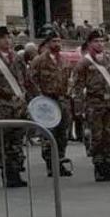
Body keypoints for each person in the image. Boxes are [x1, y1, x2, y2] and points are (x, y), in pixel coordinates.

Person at [0, 25, 29, 188]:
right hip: (0, 105)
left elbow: (26, 80)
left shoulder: (17, 58)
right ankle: (7, 172)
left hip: (18, 105)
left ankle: (16, 170)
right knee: (4, 141)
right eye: (4, 38)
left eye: (9, 38)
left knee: (16, 141)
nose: (8, 41)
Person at [73, 29, 110, 182]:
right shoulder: (84, 62)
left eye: (102, 41)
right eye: (97, 41)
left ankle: (109, 163)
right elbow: (77, 87)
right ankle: (99, 166)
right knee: (97, 136)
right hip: (94, 104)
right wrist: (79, 108)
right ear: (89, 43)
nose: (100, 44)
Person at [27, 28, 73, 177]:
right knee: (49, 134)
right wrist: (38, 98)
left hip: (62, 100)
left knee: (62, 133)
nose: (57, 44)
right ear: (47, 43)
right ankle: (50, 164)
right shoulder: (39, 61)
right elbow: (31, 81)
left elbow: (69, 80)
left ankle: (60, 160)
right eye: (54, 41)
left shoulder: (64, 60)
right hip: (47, 101)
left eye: (59, 41)